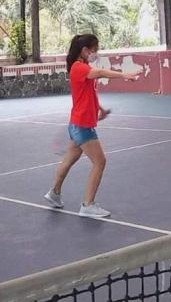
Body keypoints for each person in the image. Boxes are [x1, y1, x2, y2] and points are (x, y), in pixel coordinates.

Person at [44, 34, 138, 218]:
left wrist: (100, 110)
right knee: (100, 161)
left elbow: (89, 94)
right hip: (82, 125)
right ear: (84, 50)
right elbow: (101, 73)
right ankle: (88, 205)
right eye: (94, 50)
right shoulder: (79, 68)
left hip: (77, 123)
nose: (96, 53)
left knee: (69, 159)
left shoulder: (82, 68)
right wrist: (124, 75)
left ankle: (54, 193)